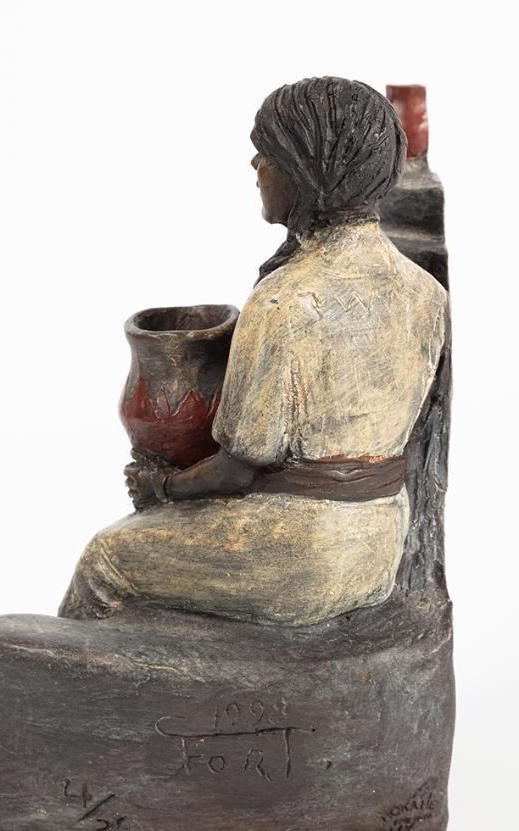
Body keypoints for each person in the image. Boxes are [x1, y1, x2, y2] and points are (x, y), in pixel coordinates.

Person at [59, 77, 448, 626]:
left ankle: (85, 679)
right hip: (379, 549)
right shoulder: (425, 293)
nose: (255, 165)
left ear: (306, 170)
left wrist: (160, 486)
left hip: (300, 558)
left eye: (267, 153)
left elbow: (238, 470)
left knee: (106, 557)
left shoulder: (286, 300)